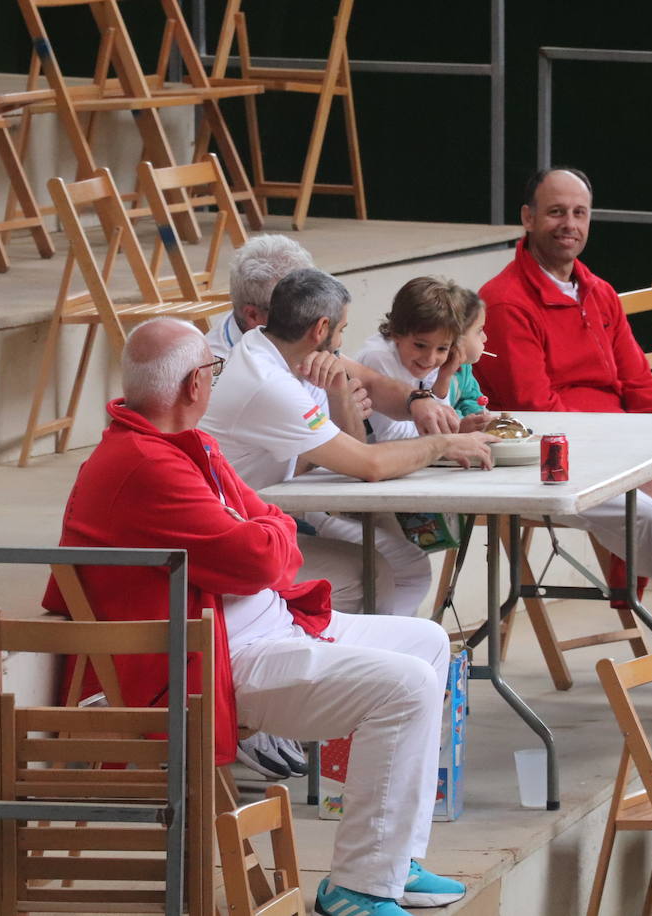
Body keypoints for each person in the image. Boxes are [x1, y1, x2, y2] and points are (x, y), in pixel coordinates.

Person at [45, 318, 467, 916]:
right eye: (212, 373)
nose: (213, 382)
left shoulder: (182, 441)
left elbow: (267, 522)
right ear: (196, 383)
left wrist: (267, 534)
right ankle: (359, 888)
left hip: (265, 629)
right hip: (213, 665)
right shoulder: (144, 463)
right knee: (405, 688)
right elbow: (260, 553)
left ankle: (391, 859)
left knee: (426, 643)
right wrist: (267, 535)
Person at [476, 167, 652, 668]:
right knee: (648, 516)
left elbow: (640, 386)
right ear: (527, 218)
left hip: (623, 458)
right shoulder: (505, 301)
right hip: (549, 465)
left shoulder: (598, 292)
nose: (569, 223)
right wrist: (632, 473)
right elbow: (538, 413)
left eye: (579, 213)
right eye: (556, 211)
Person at [201, 268, 495, 617]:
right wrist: (443, 444)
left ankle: (385, 659)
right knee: (372, 575)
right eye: (342, 330)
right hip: (232, 539)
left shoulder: (272, 348)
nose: (342, 342)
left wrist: (399, 399)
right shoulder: (270, 383)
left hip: (266, 516)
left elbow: (366, 404)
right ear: (321, 329)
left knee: (403, 567)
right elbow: (369, 464)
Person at [208, 234, 461, 437]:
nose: (318, 314)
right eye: (298, 305)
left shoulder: (297, 339)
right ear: (253, 316)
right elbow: (361, 462)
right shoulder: (222, 367)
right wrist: (338, 411)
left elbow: (370, 384)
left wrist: (417, 401)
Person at [354, 276, 492, 442]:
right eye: (420, 345)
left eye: (442, 348)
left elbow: (439, 418)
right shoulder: (378, 357)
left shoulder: (432, 357)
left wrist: (444, 378)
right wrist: (455, 430)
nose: (430, 359)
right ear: (396, 333)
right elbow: (389, 435)